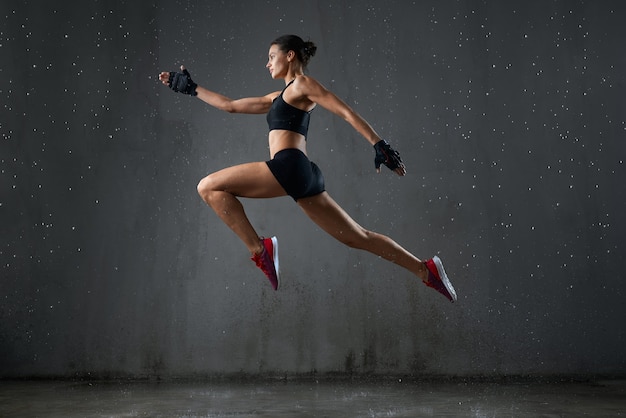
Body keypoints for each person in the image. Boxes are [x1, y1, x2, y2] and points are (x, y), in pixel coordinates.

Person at [158, 34, 457, 302]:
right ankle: (425, 269)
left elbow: (344, 111)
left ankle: (261, 251)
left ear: (291, 56)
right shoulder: (279, 96)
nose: (267, 64)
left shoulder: (303, 84)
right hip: (303, 175)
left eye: (272, 56)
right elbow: (231, 105)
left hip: (289, 166)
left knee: (208, 186)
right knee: (357, 237)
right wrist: (193, 89)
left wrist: (378, 143)